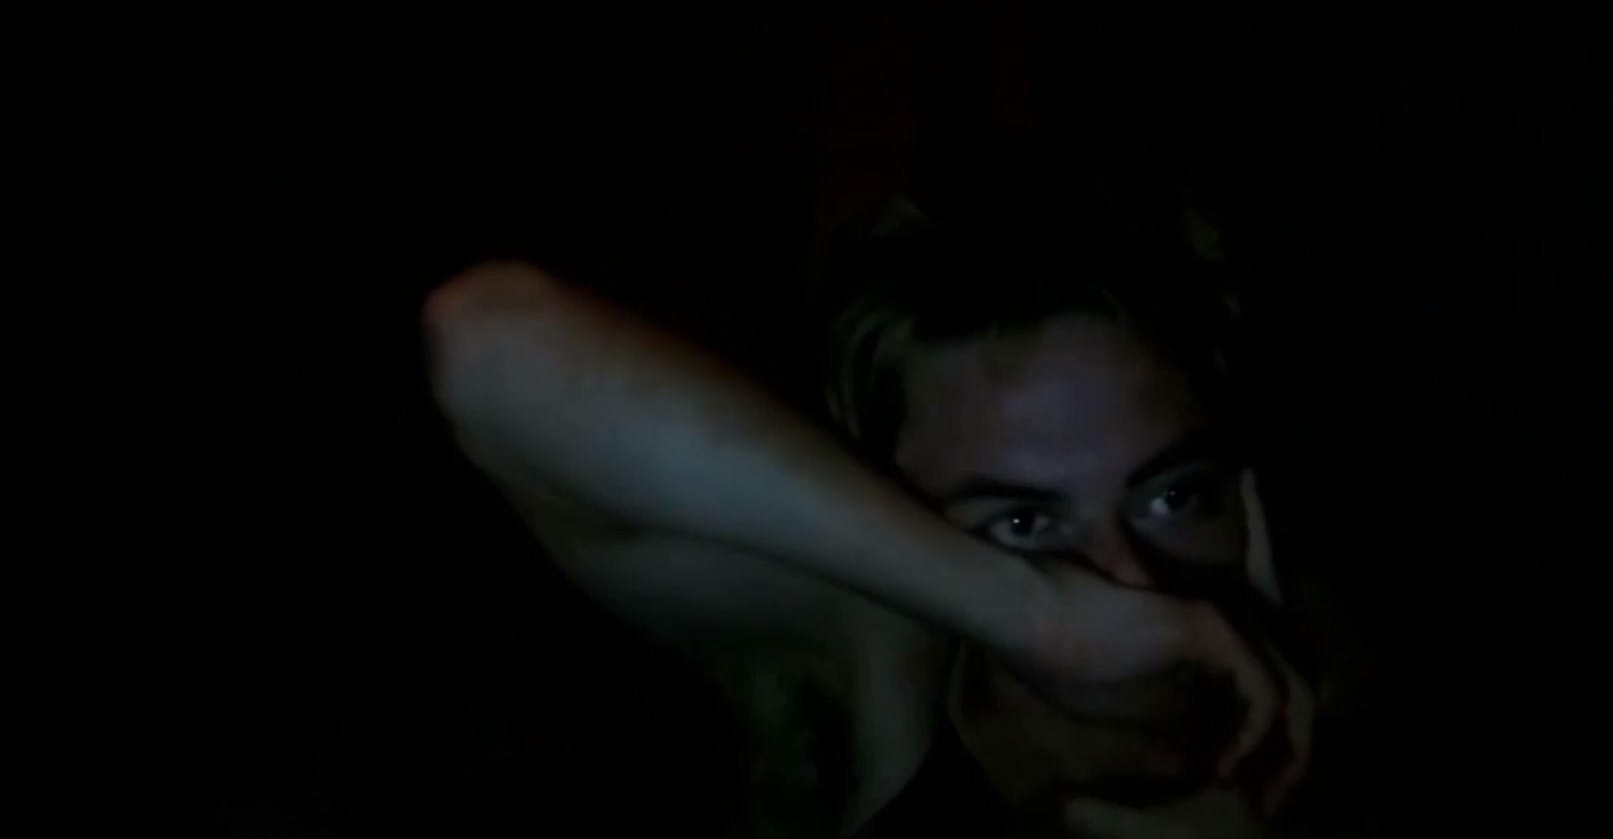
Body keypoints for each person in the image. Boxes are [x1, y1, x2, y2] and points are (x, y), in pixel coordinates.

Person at [422, 168, 1322, 837]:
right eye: (1022, 523)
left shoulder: (1347, 703)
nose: (1130, 582)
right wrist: (1037, 618)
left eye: (1175, 496)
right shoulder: (879, 672)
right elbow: (490, 342)